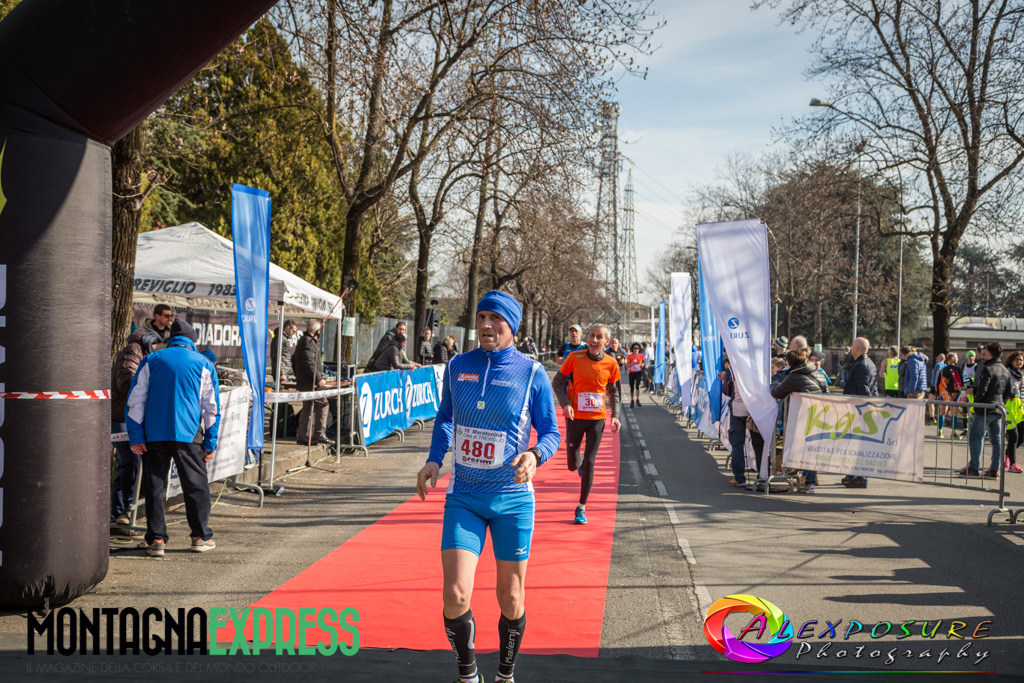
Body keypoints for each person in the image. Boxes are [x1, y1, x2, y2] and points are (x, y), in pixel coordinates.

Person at [416, 290, 560, 683]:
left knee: (511, 598)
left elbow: (551, 431)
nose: (485, 325)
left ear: (511, 326)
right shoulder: (458, 365)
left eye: (495, 318)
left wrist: (534, 455)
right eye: (481, 317)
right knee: (455, 594)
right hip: (464, 497)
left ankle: (505, 674)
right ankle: (468, 675)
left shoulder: (532, 373)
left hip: (512, 499)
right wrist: (434, 459)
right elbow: (446, 417)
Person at [125, 319, 220, 556]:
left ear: (172, 340)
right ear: (192, 341)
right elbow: (211, 408)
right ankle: (200, 536)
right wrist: (210, 442)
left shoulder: (151, 360)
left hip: (153, 434)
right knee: (195, 486)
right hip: (188, 433)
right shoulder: (203, 363)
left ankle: (156, 539)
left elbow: (135, 401)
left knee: (154, 487)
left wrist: (136, 437)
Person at [552, 324, 621, 525]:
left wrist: (616, 415)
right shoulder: (574, 357)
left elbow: (614, 391)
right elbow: (557, 382)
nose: (594, 340)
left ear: (606, 342)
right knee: (572, 465)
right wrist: (565, 404)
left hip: (597, 419)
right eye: (592, 335)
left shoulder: (611, 362)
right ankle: (579, 463)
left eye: (599, 337)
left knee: (591, 462)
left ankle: (581, 507)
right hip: (575, 417)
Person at [110, 330, 161, 528]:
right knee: (130, 462)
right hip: (121, 416)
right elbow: (125, 382)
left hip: (130, 415)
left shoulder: (141, 352)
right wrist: (150, 387)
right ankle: (124, 508)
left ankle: (119, 509)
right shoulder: (133, 350)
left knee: (129, 463)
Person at [771, 348, 828, 493]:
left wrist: (773, 383)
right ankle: (809, 482)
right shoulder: (819, 374)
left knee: (800, 449)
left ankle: (798, 475)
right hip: (818, 417)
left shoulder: (793, 377)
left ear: (789, 363)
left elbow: (777, 392)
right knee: (812, 450)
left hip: (799, 418)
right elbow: (828, 394)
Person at [962, 342, 1013, 478]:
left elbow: (982, 391)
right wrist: (1000, 401)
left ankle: (974, 468)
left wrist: (976, 405)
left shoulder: (987, 369)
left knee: (975, 436)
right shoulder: (1005, 369)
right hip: (998, 408)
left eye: (984, 354)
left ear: (990, 354)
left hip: (985, 408)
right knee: (996, 440)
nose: (981, 357)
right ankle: (994, 469)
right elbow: (1008, 391)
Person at [721, 360, 765, 487]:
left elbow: (726, 390)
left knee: (737, 444)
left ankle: (739, 477)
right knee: (759, 444)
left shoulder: (732, 369)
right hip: (756, 409)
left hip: (738, 410)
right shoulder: (759, 365)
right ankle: (762, 477)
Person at [841, 337, 878, 489]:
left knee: (860, 446)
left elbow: (864, 389)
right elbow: (873, 387)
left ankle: (862, 478)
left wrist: (866, 409)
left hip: (860, 411)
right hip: (861, 411)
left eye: (852, 346)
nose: (850, 348)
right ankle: (852, 475)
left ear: (856, 348)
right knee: (855, 445)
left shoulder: (861, 365)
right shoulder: (868, 363)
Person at [294, 320, 331, 446]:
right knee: (323, 403)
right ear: (316, 331)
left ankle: (302, 436)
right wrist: (319, 379)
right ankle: (320, 434)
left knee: (307, 408)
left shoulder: (305, 341)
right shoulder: (308, 342)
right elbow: (309, 363)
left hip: (306, 382)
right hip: (311, 383)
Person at [1004, 351, 1024, 474]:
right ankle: (1013, 464)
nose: (1019, 362)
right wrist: (1010, 392)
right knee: (1013, 437)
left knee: (1021, 437)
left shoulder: (1022, 374)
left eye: (1021, 360)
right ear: (1011, 361)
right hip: (1009, 406)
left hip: (1020, 408)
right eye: (1017, 359)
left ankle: (1007, 454)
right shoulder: (1006, 373)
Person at [937, 352, 965, 439]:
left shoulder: (943, 370)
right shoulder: (958, 369)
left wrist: (938, 394)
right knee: (954, 413)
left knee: (942, 412)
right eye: (956, 357)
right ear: (952, 359)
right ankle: (953, 433)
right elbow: (961, 383)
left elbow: (938, 382)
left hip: (944, 393)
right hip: (954, 393)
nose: (957, 359)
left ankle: (940, 432)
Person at [269, 319, 299, 385]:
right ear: (287, 327)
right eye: (293, 331)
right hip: (282, 372)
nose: (293, 333)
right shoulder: (280, 338)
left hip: (284, 370)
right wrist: (282, 373)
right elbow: (278, 357)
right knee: (281, 388)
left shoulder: (283, 338)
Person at [927, 353, 946, 425]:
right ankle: (942, 419)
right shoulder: (945, 366)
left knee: (930, 401)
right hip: (942, 386)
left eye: (937, 358)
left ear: (938, 359)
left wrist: (936, 384)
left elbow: (938, 373)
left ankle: (932, 418)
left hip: (935, 385)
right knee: (941, 402)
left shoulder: (938, 365)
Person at [625, 343, 645, 407]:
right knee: (631, 387)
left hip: (638, 372)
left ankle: (637, 399)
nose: (636, 349)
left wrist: (642, 365)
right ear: (632, 349)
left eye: (637, 348)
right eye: (634, 348)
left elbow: (644, 361)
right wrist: (633, 363)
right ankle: (632, 400)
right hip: (632, 373)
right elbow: (627, 366)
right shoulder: (630, 356)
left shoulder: (641, 355)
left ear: (639, 349)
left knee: (637, 386)